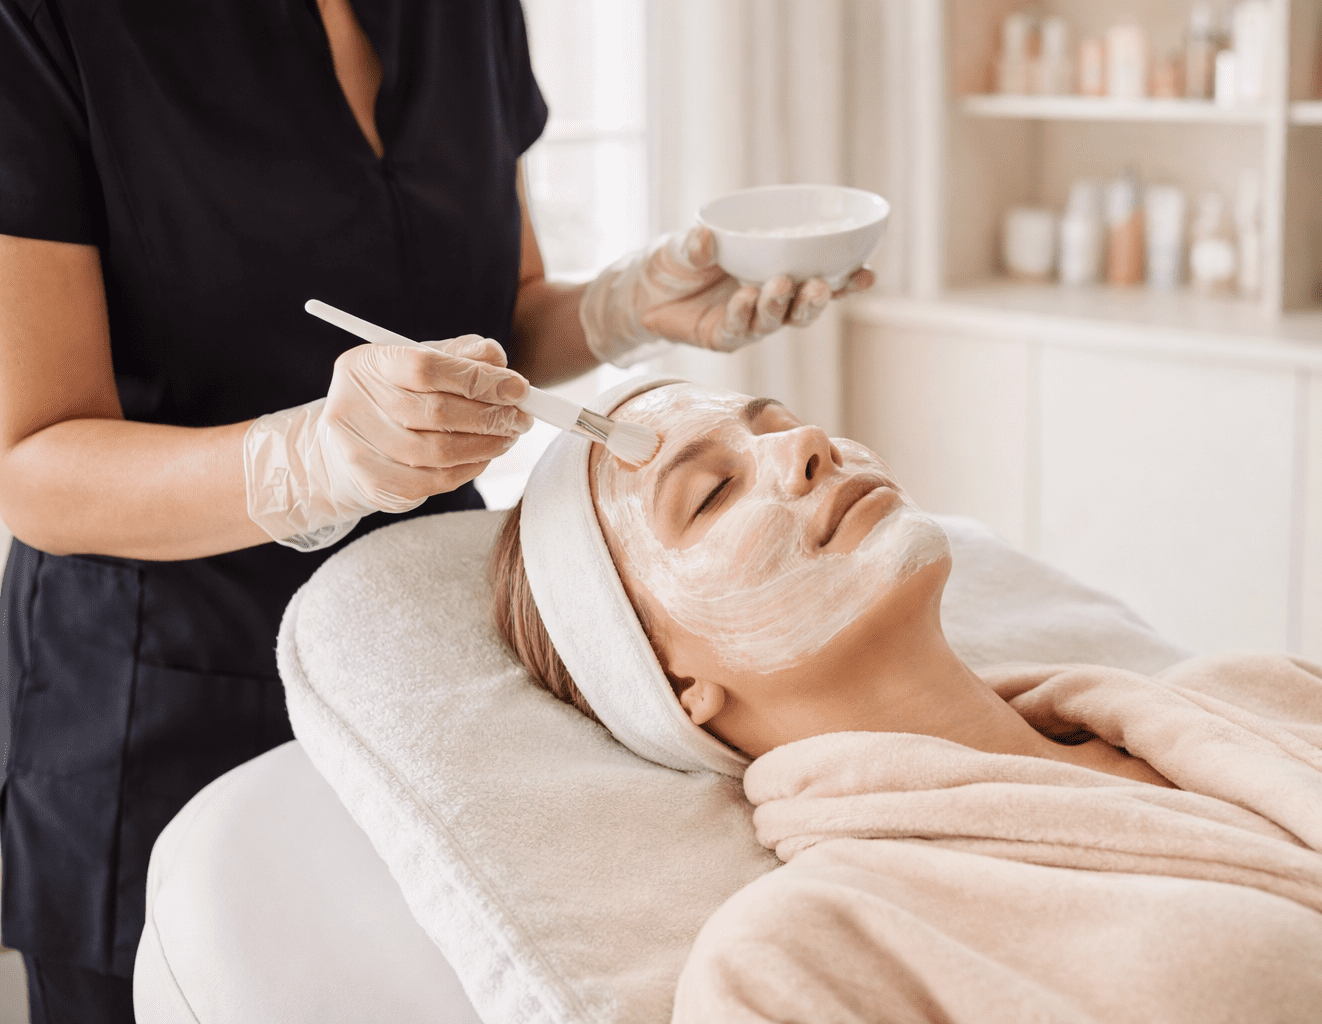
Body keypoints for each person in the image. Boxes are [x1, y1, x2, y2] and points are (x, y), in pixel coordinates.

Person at [0, 2, 869, 1018]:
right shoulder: (45, 26)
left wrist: (625, 308)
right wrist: (312, 460)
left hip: (428, 675)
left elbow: (499, 326)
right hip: (156, 698)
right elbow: (32, 463)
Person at [493, 376, 1322, 1023]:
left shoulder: (1255, 692)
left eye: (780, 423)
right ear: (675, 683)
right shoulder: (793, 956)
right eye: (713, 491)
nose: (806, 447)